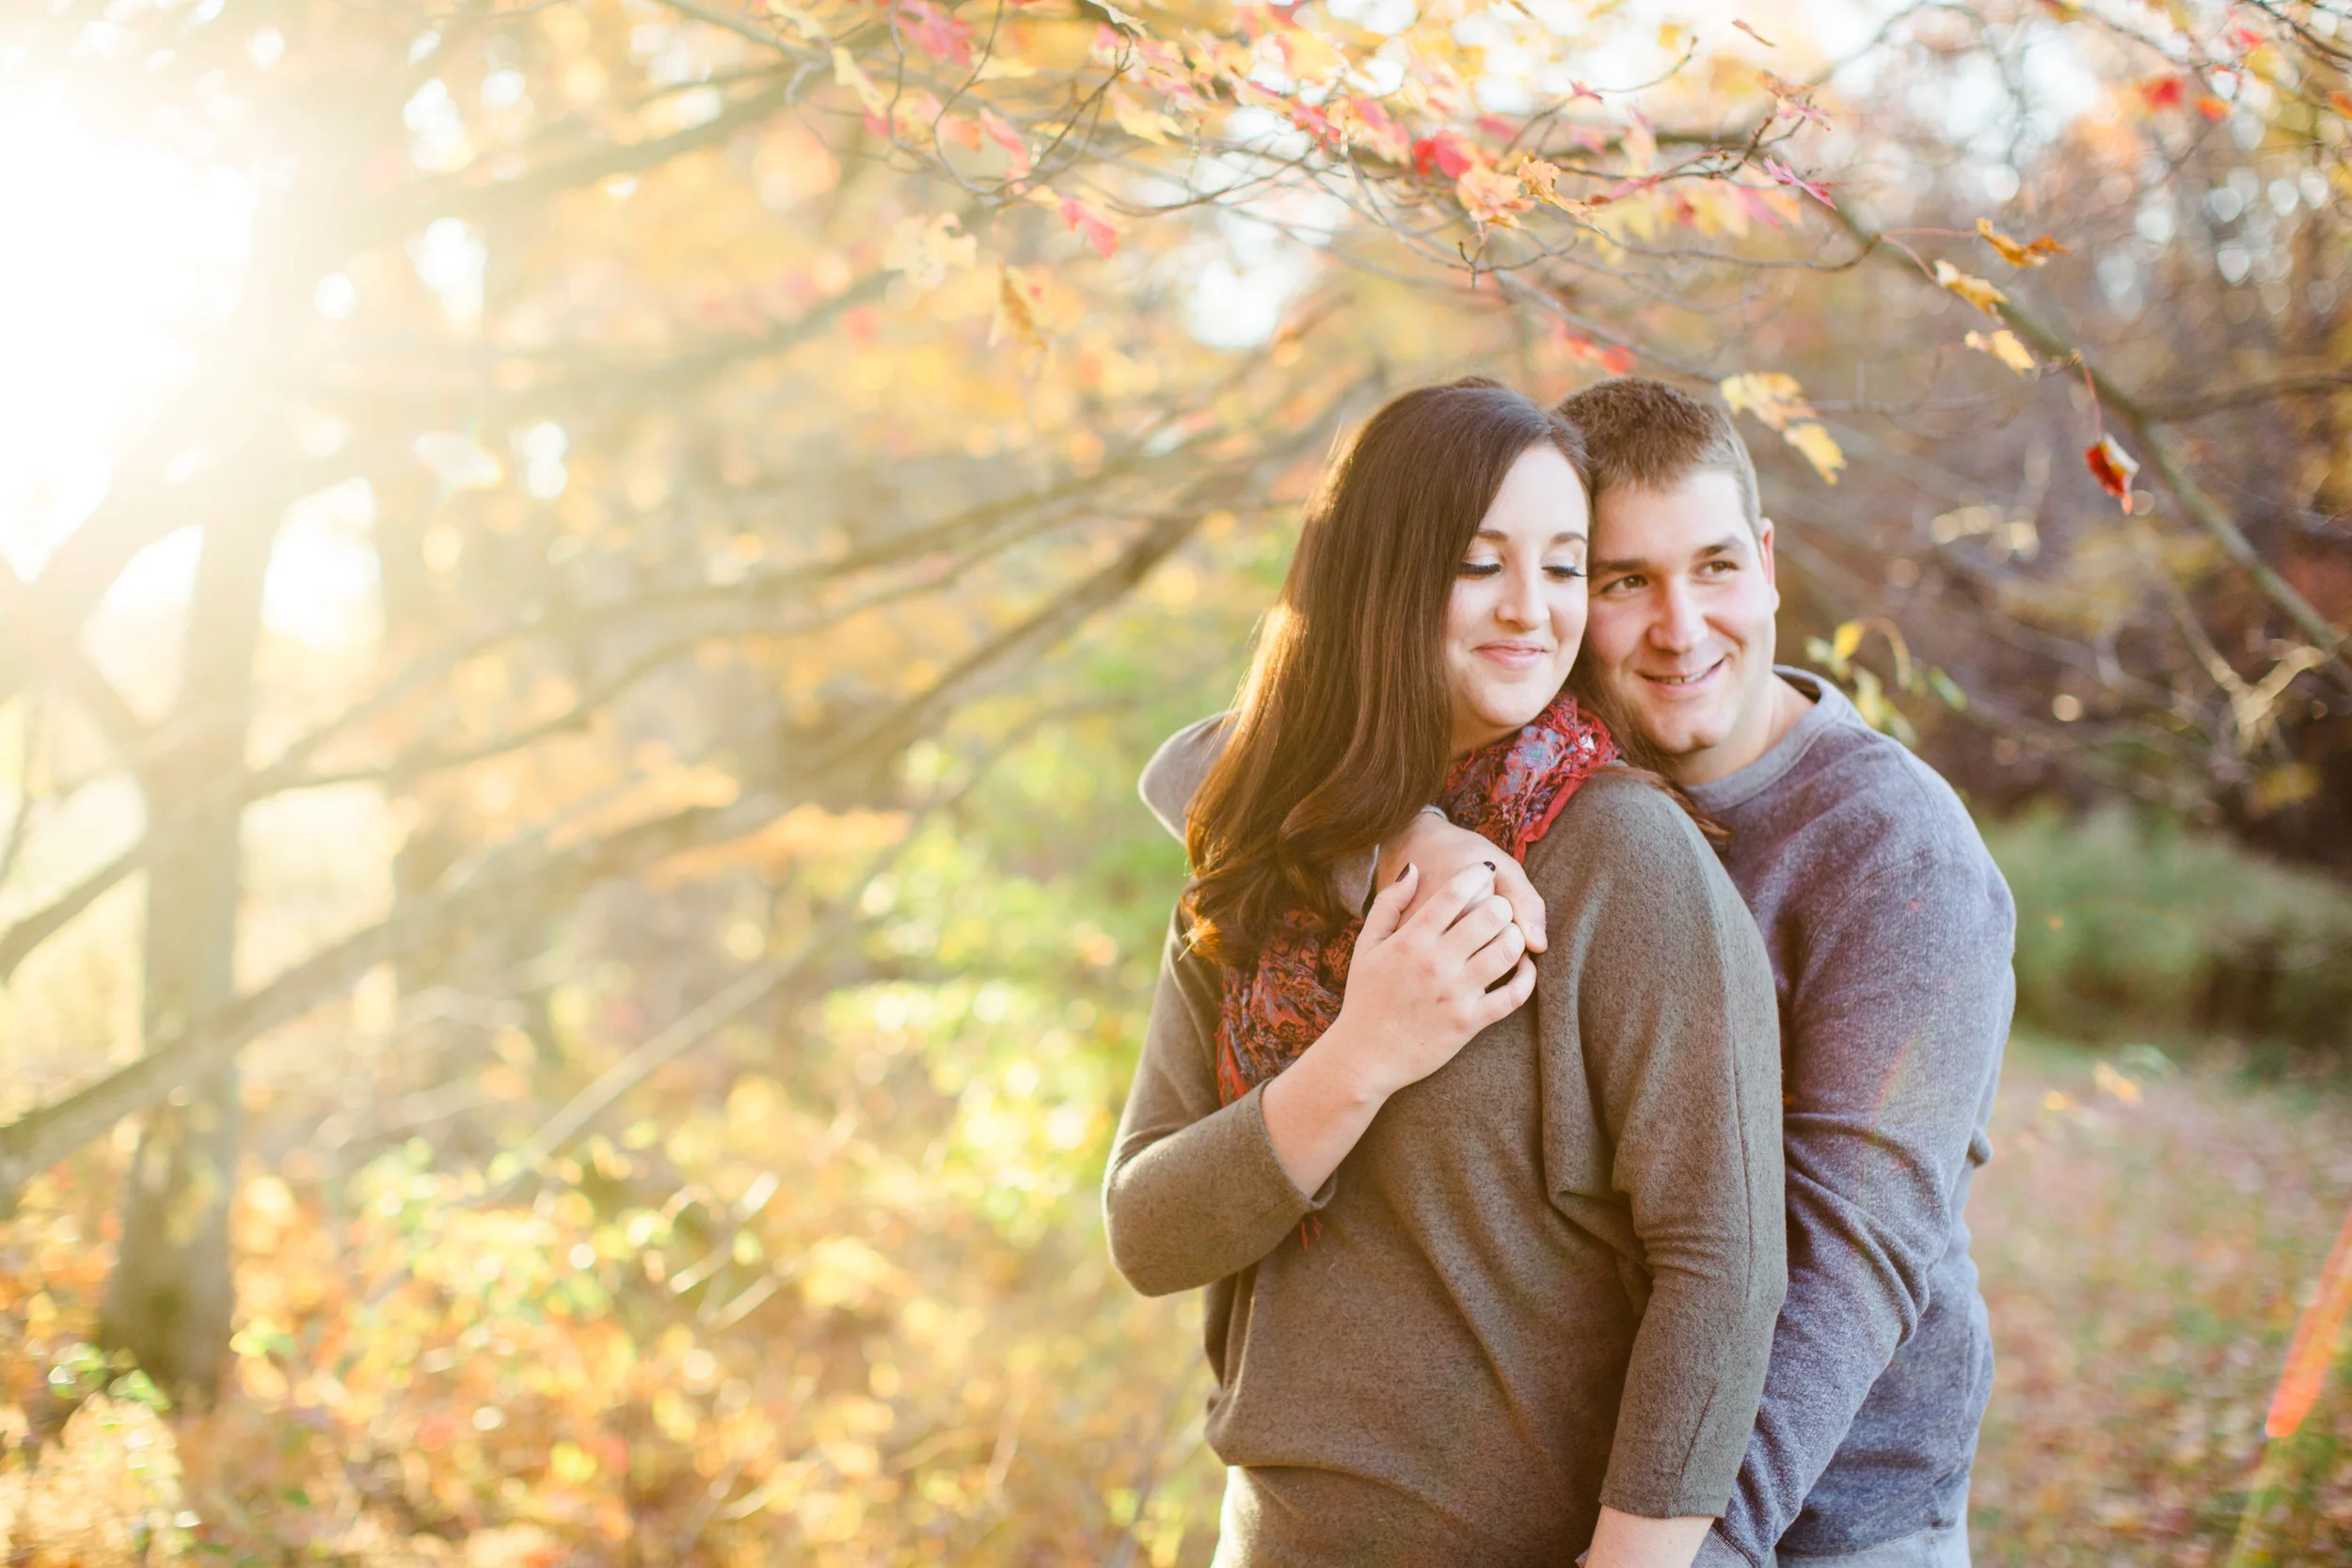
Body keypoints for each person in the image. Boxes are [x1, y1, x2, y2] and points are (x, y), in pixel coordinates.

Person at [1141, 377, 2014, 1568]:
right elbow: (1231, 766)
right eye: (1615, 579)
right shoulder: (1479, 791)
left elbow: (1828, 1256)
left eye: (1712, 567)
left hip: (1835, 1514)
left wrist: (1672, 1545)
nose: (1678, 627)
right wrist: (1396, 837)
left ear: (1765, 563)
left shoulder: (1889, 851)